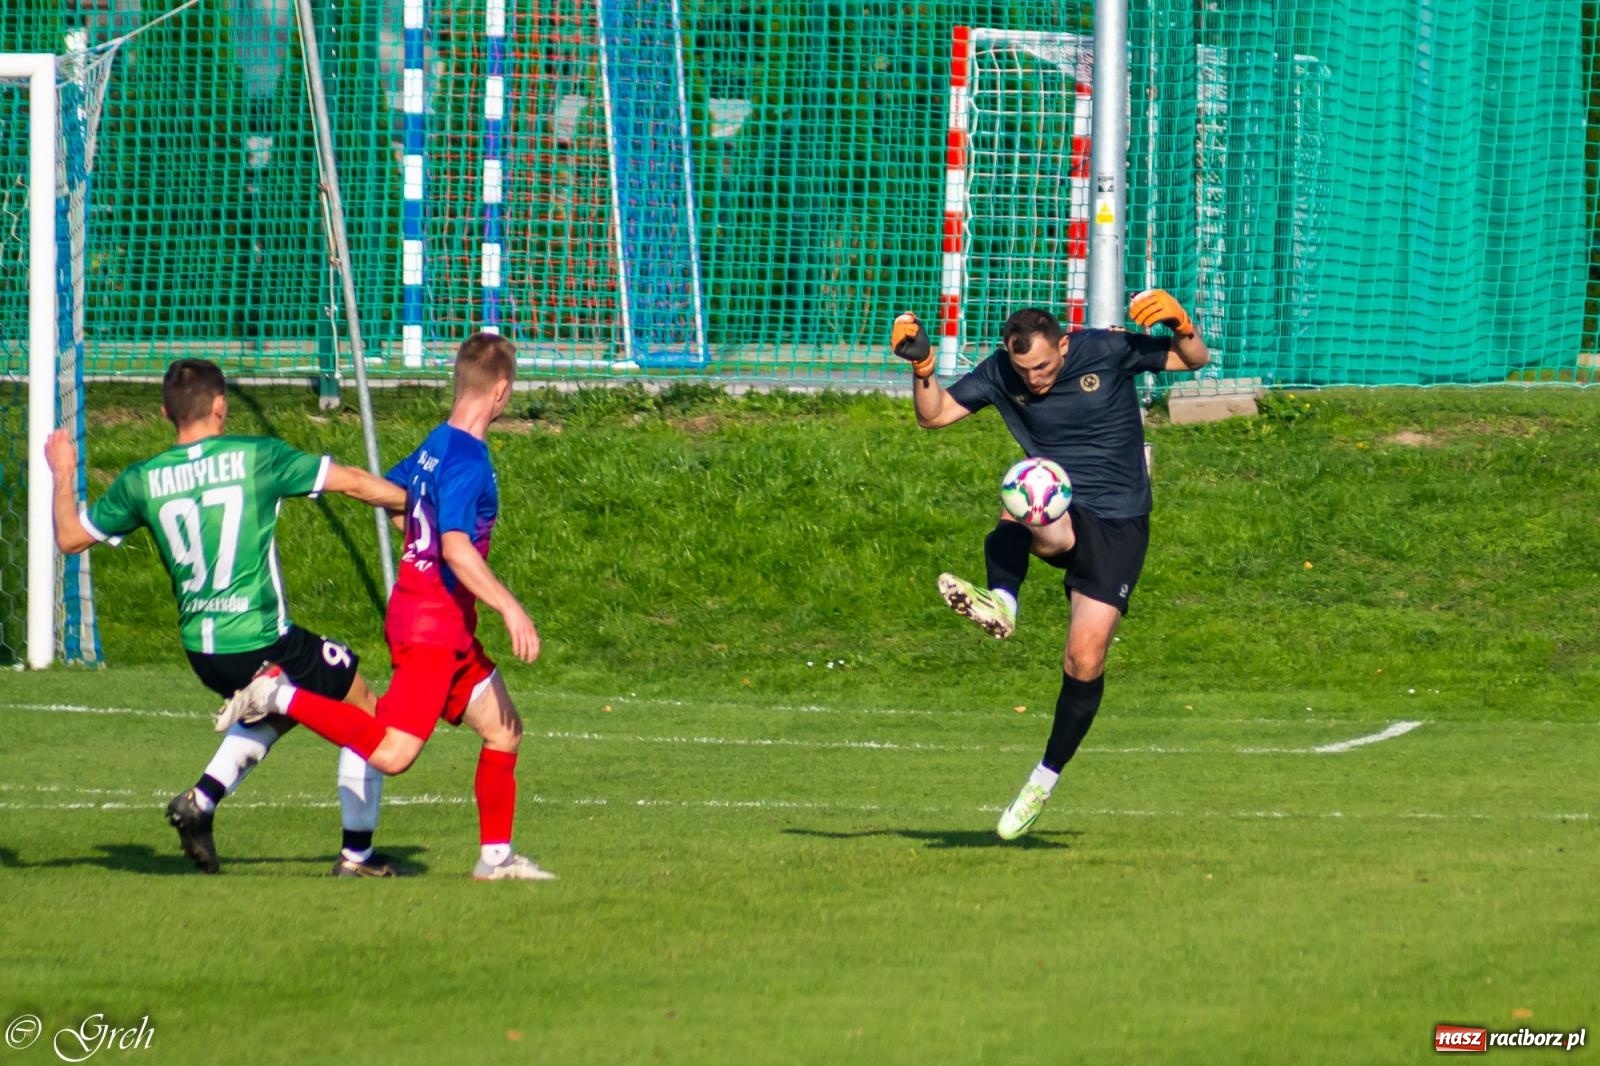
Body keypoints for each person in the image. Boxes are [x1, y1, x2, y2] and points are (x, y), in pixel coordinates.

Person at [46, 358, 408, 875]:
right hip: (260, 639)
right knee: (362, 706)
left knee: (286, 707)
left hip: (203, 653)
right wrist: (416, 503)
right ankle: (358, 855)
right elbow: (351, 482)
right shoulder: (256, 456)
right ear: (221, 405)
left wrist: (62, 473)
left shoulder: (142, 480)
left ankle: (202, 801)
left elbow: (68, 538)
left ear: (166, 412)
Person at [214, 332, 554, 882]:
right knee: (393, 754)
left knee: (504, 730)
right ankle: (277, 692)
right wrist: (512, 608)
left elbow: (396, 501)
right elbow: (457, 548)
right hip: (433, 626)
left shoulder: (435, 445)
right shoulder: (469, 459)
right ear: (501, 391)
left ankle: (496, 859)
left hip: (431, 616)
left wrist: (419, 536)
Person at [892, 291, 1209, 839]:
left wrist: (1182, 324)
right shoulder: (1000, 372)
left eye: (1042, 365)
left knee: (1083, 659)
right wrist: (922, 367)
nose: (1033, 379)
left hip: (1121, 523)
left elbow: (1192, 359)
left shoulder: (1105, 351)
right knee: (1024, 490)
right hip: (1062, 510)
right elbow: (935, 416)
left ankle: (1043, 779)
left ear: (1064, 344)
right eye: (1023, 369)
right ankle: (1003, 602)